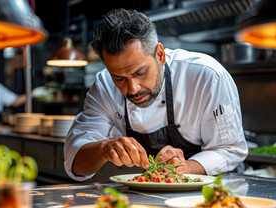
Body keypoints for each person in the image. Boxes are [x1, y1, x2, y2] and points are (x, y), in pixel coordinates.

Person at [64, 8, 248, 181]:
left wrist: (186, 167)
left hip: (215, 192)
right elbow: (75, 164)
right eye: (119, 78)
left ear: (160, 55)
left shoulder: (206, 75)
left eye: (139, 73)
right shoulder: (104, 86)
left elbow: (231, 149)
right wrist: (104, 148)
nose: (133, 89)